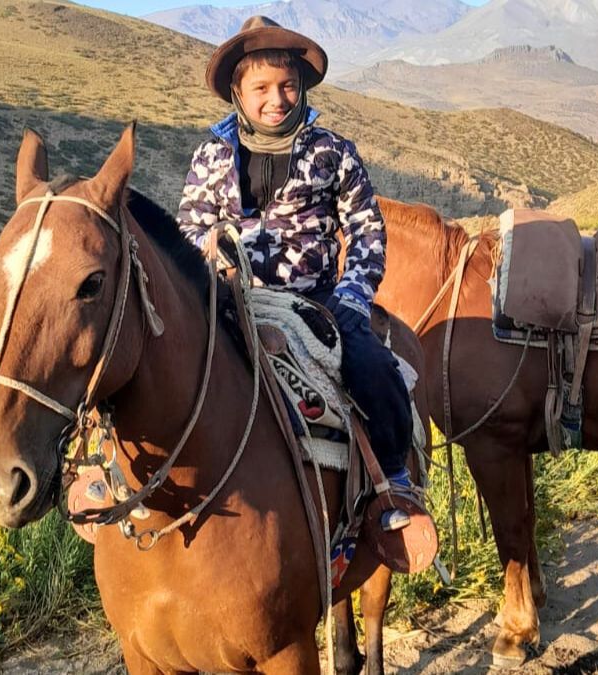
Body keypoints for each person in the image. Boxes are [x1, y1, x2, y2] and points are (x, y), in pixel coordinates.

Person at [177, 16, 416, 532]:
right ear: (238, 93)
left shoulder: (333, 151)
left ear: (302, 87)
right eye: (261, 88)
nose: (276, 99)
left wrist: (352, 296)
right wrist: (211, 256)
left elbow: (367, 230)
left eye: (287, 86)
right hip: (232, 301)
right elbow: (190, 229)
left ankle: (394, 482)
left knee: (374, 368)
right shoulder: (212, 156)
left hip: (320, 303)